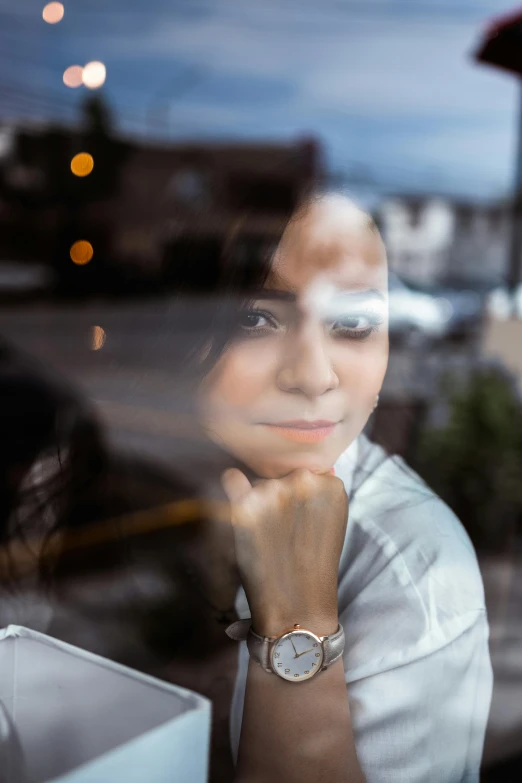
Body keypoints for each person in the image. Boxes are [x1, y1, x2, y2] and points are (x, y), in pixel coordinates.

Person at [0, 192, 492, 782]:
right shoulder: (83, 467)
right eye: (257, 319)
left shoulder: (414, 572)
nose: (313, 375)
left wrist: (299, 620)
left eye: (355, 323)